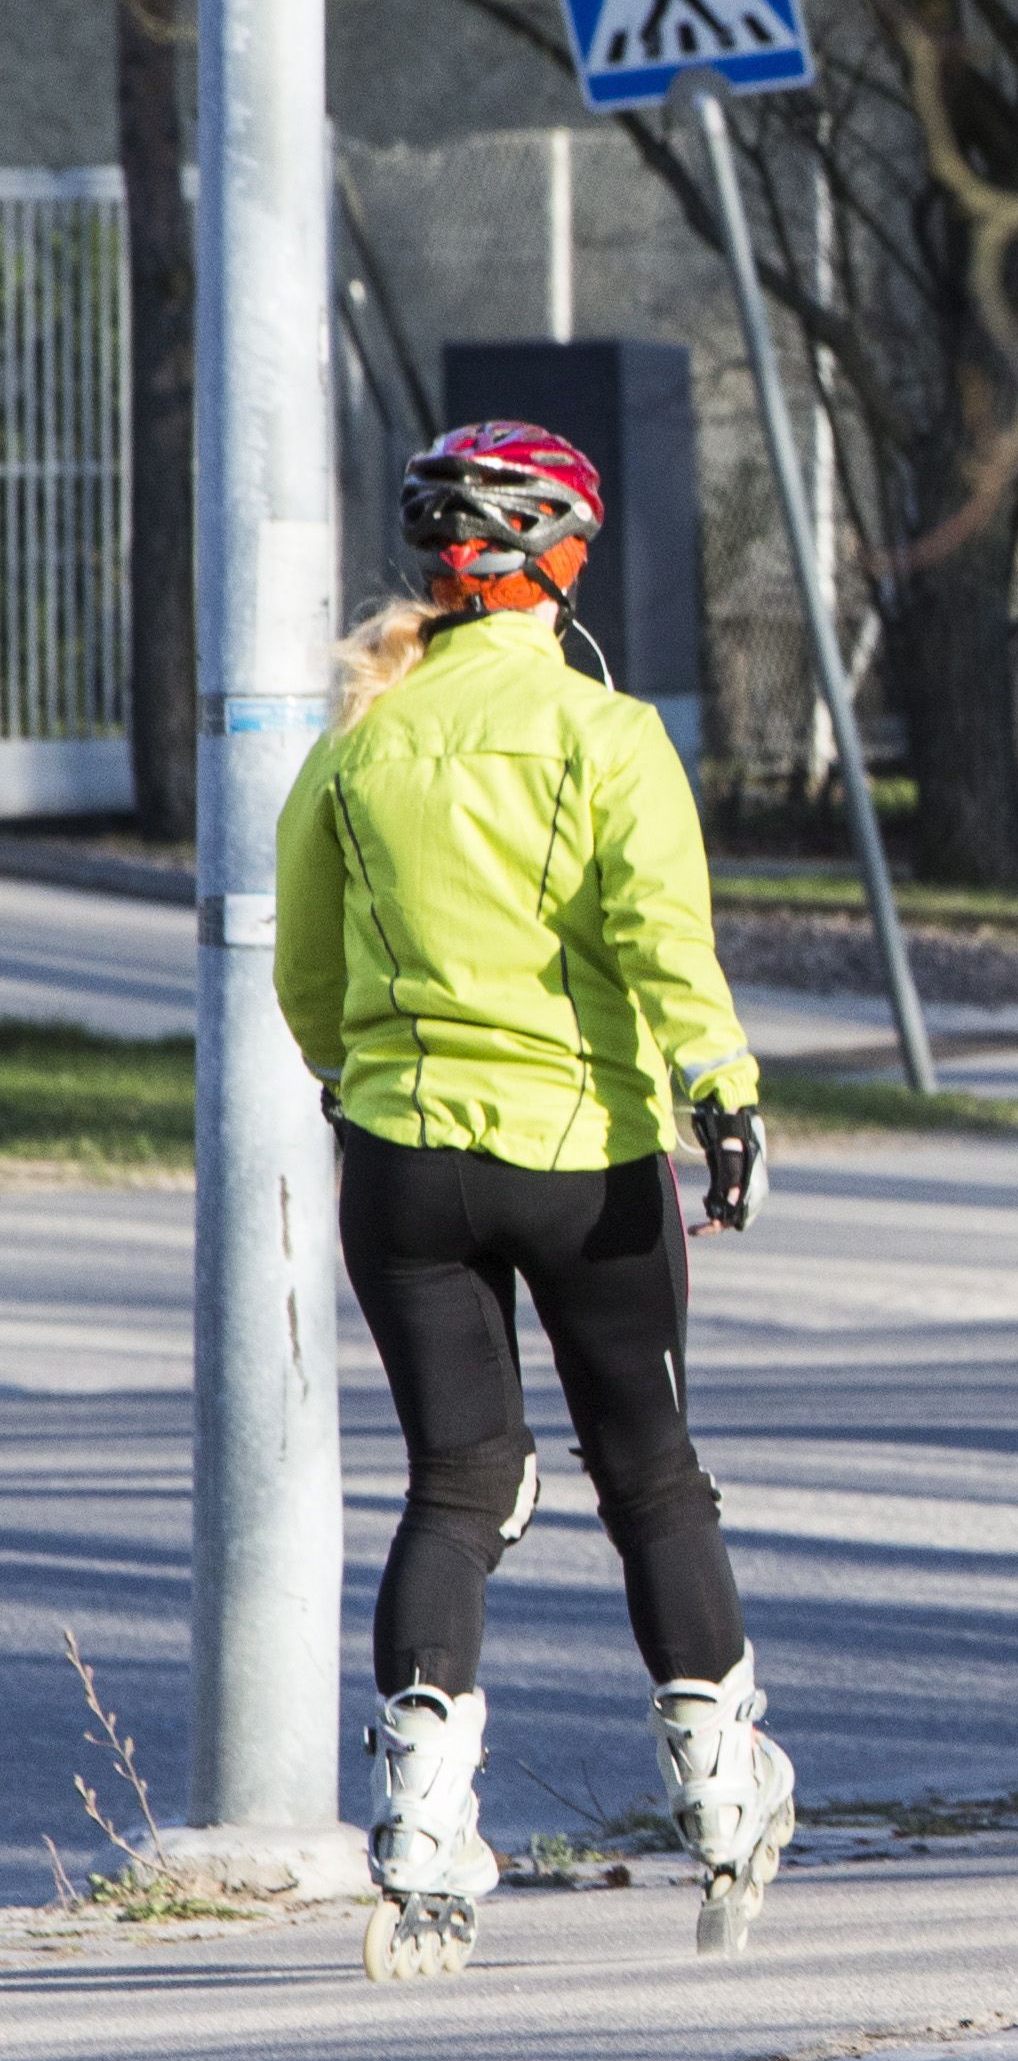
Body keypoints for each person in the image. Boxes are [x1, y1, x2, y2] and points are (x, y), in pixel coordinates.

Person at [275, 421, 796, 1980]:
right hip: (582, 1158)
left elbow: (307, 972)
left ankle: (421, 1826)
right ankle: (722, 1794)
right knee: (651, 1474)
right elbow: (659, 934)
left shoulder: (356, 742)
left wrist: (359, 1080)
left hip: (402, 1162)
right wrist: (722, 1092)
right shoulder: (601, 732)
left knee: (457, 1486)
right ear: (558, 558)